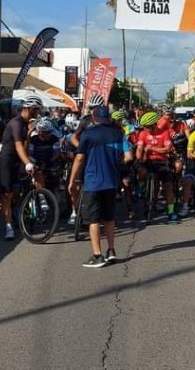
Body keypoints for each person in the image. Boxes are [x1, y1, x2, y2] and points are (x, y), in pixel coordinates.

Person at [69, 105, 124, 268]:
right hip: (111, 181)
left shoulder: (89, 133)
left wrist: (72, 180)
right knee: (109, 218)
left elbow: (79, 158)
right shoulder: (117, 133)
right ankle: (111, 250)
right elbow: (124, 156)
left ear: (94, 118)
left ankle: (97, 255)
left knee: (93, 219)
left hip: (93, 182)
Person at [0, 95, 43, 241]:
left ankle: (41, 196)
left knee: (37, 169)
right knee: (7, 195)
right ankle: (8, 227)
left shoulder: (26, 123)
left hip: (19, 158)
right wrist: (27, 162)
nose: (38, 112)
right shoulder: (16, 122)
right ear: (29, 109)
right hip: (7, 159)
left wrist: (29, 161)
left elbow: (24, 145)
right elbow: (18, 145)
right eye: (37, 109)